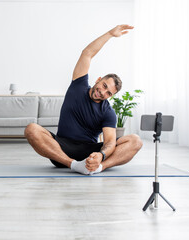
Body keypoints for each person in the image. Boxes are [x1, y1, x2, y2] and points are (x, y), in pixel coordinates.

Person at [24, 24, 143, 175]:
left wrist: (101, 156)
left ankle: (99, 167)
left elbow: (110, 142)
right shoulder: (78, 85)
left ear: (110, 96)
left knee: (136, 140)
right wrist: (110, 34)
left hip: (90, 152)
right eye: (104, 85)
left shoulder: (108, 112)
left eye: (108, 93)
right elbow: (87, 53)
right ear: (98, 80)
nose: (103, 92)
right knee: (31, 129)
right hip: (61, 149)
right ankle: (73, 165)